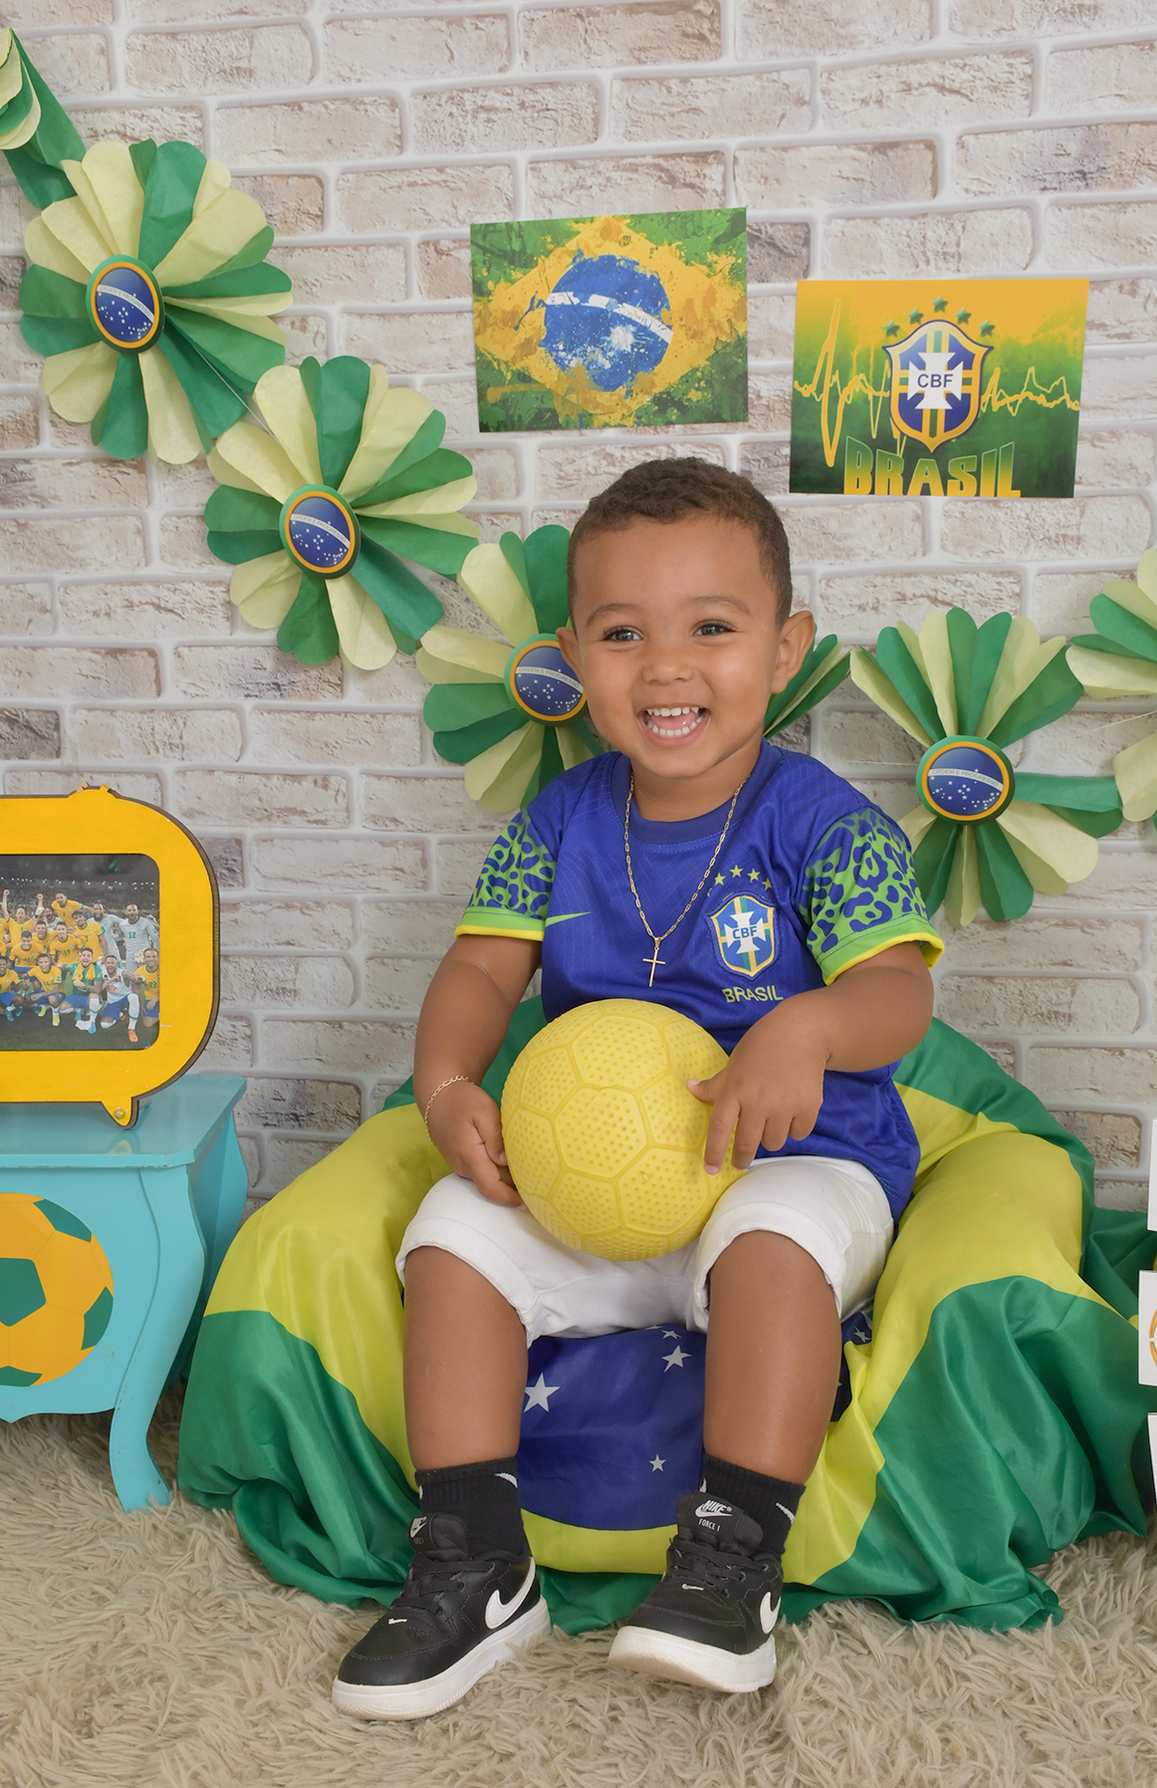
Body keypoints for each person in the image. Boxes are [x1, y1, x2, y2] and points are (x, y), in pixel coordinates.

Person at [332, 460, 941, 1722]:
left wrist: (809, 1025)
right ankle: (475, 1563)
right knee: (449, 1233)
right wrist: (443, 1086)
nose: (667, 668)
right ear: (575, 657)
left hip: (792, 1166)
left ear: (785, 649)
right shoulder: (558, 821)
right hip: (598, 1193)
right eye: (623, 636)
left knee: (772, 1237)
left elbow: (900, 995)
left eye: (711, 628)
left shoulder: (825, 825)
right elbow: (479, 970)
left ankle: (732, 1560)